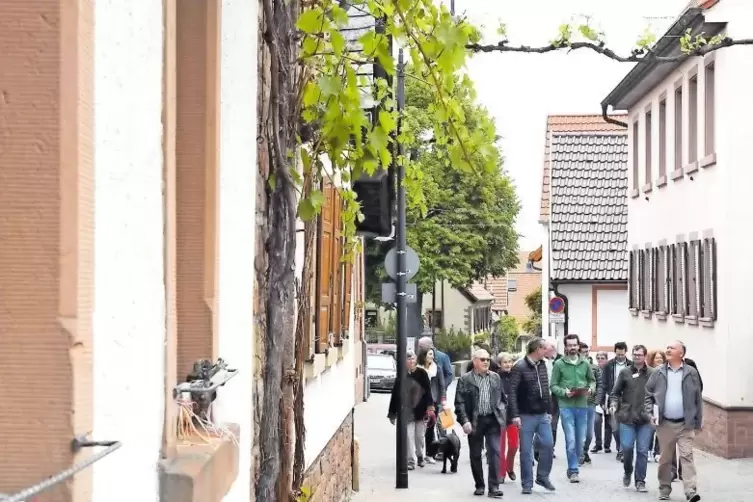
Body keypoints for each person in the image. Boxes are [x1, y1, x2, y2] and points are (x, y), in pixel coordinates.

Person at [644, 340, 703, 502]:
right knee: (665, 458)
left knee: (687, 456)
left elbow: (698, 397)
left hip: (685, 423)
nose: (668, 350)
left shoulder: (691, 372)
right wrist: (651, 412)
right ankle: (664, 488)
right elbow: (648, 394)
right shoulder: (658, 372)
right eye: (667, 347)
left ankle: (691, 490)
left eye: (672, 348)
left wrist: (699, 420)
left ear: (681, 353)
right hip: (665, 424)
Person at [455, 349, 507, 498]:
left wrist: (502, 410)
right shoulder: (466, 379)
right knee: (475, 455)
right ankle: (479, 485)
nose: (486, 362)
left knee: (495, 452)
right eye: (482, 359)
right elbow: (459, 403)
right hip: (475, 421)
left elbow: (503, 398)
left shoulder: (496, 377)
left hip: (493, 420)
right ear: (475, 361)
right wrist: (465, 421)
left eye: (488, 360)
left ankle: (494, 487)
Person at [509, 337, 557, 495]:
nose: (547, 351)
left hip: (542, 414)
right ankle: (527, 483)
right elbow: (512, 393)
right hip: (525, 415)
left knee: (548, 445)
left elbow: (546, 388)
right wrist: (515, 415)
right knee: (526, 451)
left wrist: (549, 411)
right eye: (545, 348)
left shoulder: (543, 365)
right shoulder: (520, 367)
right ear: (537, 349)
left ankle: (542, 477)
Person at [549, 334, 596, 483]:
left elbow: (592, 381)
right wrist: (564, 392)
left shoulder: (585, 363)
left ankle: (572, 467)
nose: (572, 348)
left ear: (578, 346)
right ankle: (574, 469)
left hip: (583, 405)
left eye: (574, 345)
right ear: (566, 347)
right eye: (569, 345)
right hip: (566, 406)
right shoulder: (559, 364)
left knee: (580, 441)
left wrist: (590, 389)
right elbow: (553, 385)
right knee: (570, 439)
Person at [610, 344, 653, 493]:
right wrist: (614, 404)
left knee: (642, 450)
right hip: (627, 417)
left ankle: (640, 481)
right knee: (627, 448)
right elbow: (615, 393)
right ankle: (628, 470)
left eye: (639, 355)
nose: (636, 357)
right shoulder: (625, 372)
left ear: (645, 356)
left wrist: (655, 411)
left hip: (645, 418)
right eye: (634, 354)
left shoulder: (653, 374)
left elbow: (657, 394)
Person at [387, 351, 434, 470]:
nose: (411, 361)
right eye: (408, 359)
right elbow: (395, 395)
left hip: (421, 410)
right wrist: (392, 413)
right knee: (408, 437)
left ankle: (420, 456)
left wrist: (430, 407)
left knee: (419, 437)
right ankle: (410, 461)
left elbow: (428, 391)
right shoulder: (401, 375)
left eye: (413, 359)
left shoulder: (422, 373)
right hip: (406, 412)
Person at [601, 341, 631, 460]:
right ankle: (620, 445)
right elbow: (603, 384)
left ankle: (622, 450)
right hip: (613, 398)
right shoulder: (608, 365)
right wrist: (603, 401)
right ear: (615, 352)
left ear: (625, 353)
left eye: (622, 354)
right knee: (615, 426)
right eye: (618, 354)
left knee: (625, 425)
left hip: (627, 399)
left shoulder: (631, 365)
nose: (620, 357)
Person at [418, 347, 446, 463]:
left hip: (433, 402)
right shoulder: (418, 369)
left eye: (433, 354)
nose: (432, 356)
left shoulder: (437, 369)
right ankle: (418, 453)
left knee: (430, 428)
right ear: (424, 356)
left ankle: (429, 454)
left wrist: (443, 400)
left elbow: (442, 385)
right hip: (419, 402)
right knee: (419, 429)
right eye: (430, 354)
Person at [579, 344, 604, 465]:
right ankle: (580, 454)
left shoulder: (594, 368)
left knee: (589, 434)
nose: (585, 354)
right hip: (575, 404)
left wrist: (596, 401)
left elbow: (600, 385)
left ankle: (584, 450)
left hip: (590, 404)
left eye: (586, 352)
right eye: (582, 352)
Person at [496, 352, 518, 484]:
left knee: (514, 444)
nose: (508, 364)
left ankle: (510, 467)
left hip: (513, 415)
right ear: (499, 364)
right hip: (500, 415)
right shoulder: (495, 377)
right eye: (505, 362)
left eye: (510, 361)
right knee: (500, 446)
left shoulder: (516, 376)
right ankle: (501, 472)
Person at [646, 349, 666, 462]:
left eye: (661, 358)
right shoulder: (649, 372)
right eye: (656, 358)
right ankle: (648, 450)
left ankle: (657, 451)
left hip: (661, 404)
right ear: (652, 360)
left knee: (660, 429)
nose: (659, 360)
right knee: (650, 428)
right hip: (652, 403)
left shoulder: (666, 372)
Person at [589, 351, 609, 454]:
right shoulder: (594, 369)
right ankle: (598, 444)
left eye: (603, 357)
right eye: (599, 358)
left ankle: (607, 445)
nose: (600, 359)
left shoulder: (610, 369)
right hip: (597, 399)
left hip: (608, 398)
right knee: (597, 421)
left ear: (606, 359)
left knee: (609, 423)